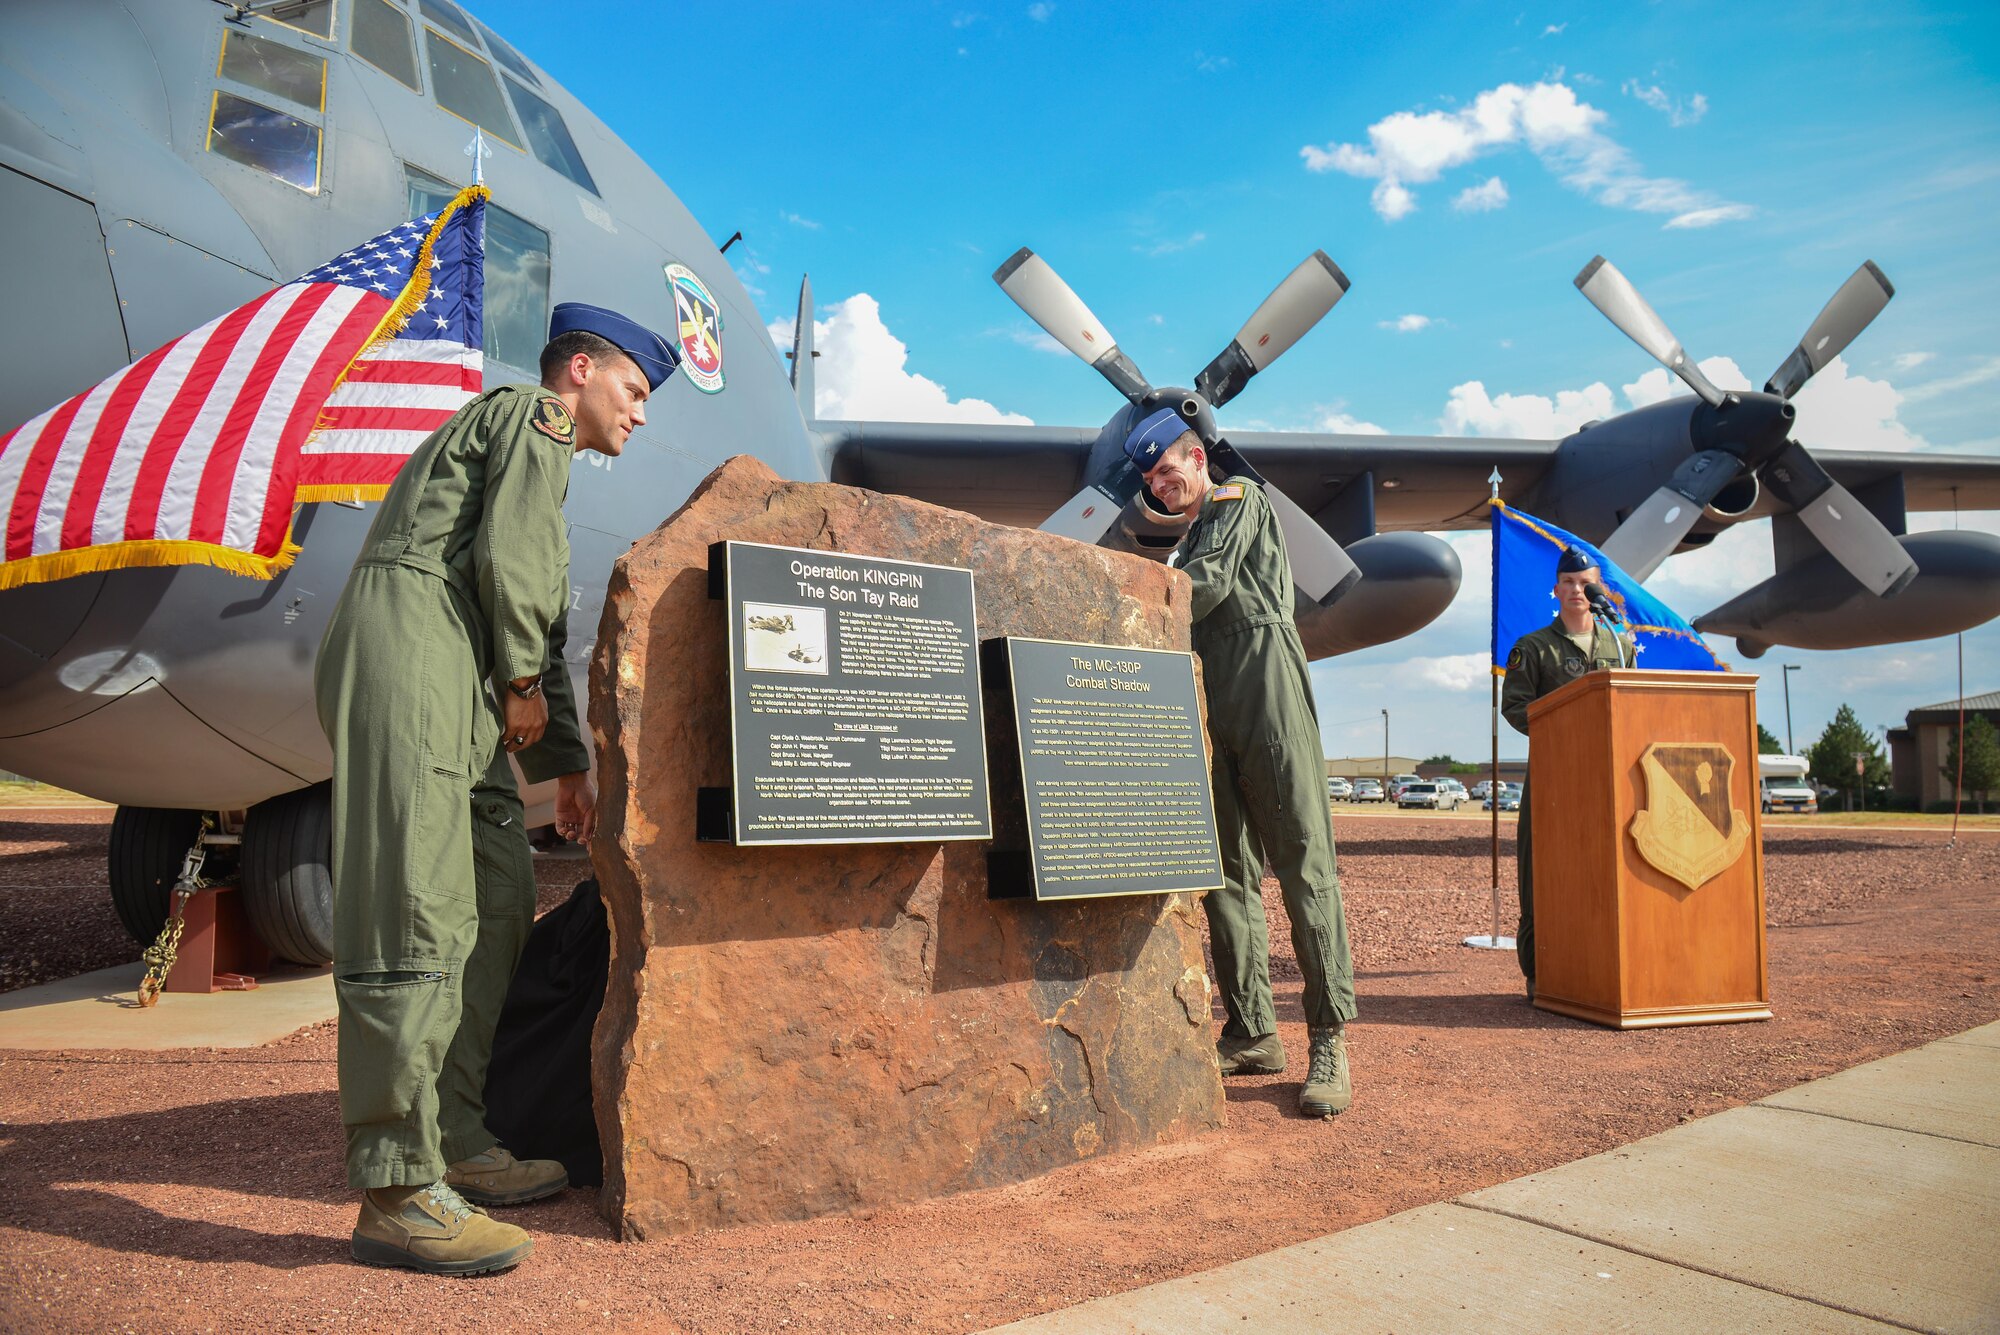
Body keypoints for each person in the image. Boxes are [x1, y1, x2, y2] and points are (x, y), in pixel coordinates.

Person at [315, 302, 676, 1275]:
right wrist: (518, 683)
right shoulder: (533, 417)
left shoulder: (536, 461)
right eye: (634, 392)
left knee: (499, 900)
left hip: (463, 678)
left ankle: (458, 1142)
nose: (640, 416)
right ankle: (396, 1187)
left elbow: (533, 608)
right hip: (417, 656)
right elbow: (511, 578)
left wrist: (560, 767)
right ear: (581, 373)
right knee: (417, 912)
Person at [1128, 406, 1357, 1119]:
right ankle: (1254, 1028)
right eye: (1151, 481)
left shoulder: (1236, 500)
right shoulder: (1190, 534)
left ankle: (1328, 1036)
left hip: (1264, 682)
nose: (1160, 487)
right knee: (1225, 871)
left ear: (1198, 460)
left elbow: (1212, 585)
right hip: (1208, 693)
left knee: (1302, 863)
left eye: (1169, 470)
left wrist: (1117, 615)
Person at [1500, 546, 1636, 1001]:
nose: (1577, 591)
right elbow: (1516, 709)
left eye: (1586, 584)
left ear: (1599, 590)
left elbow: (1636, 703)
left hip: (1613, 781)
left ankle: (1607, 964)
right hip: (1556, 778)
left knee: (1608, 871)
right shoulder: (1533, 648)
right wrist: (1564, 727)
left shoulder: (1620, 644)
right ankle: (1542, 968)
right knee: (1544, 872)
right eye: (1569, 584)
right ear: (1555, 590)